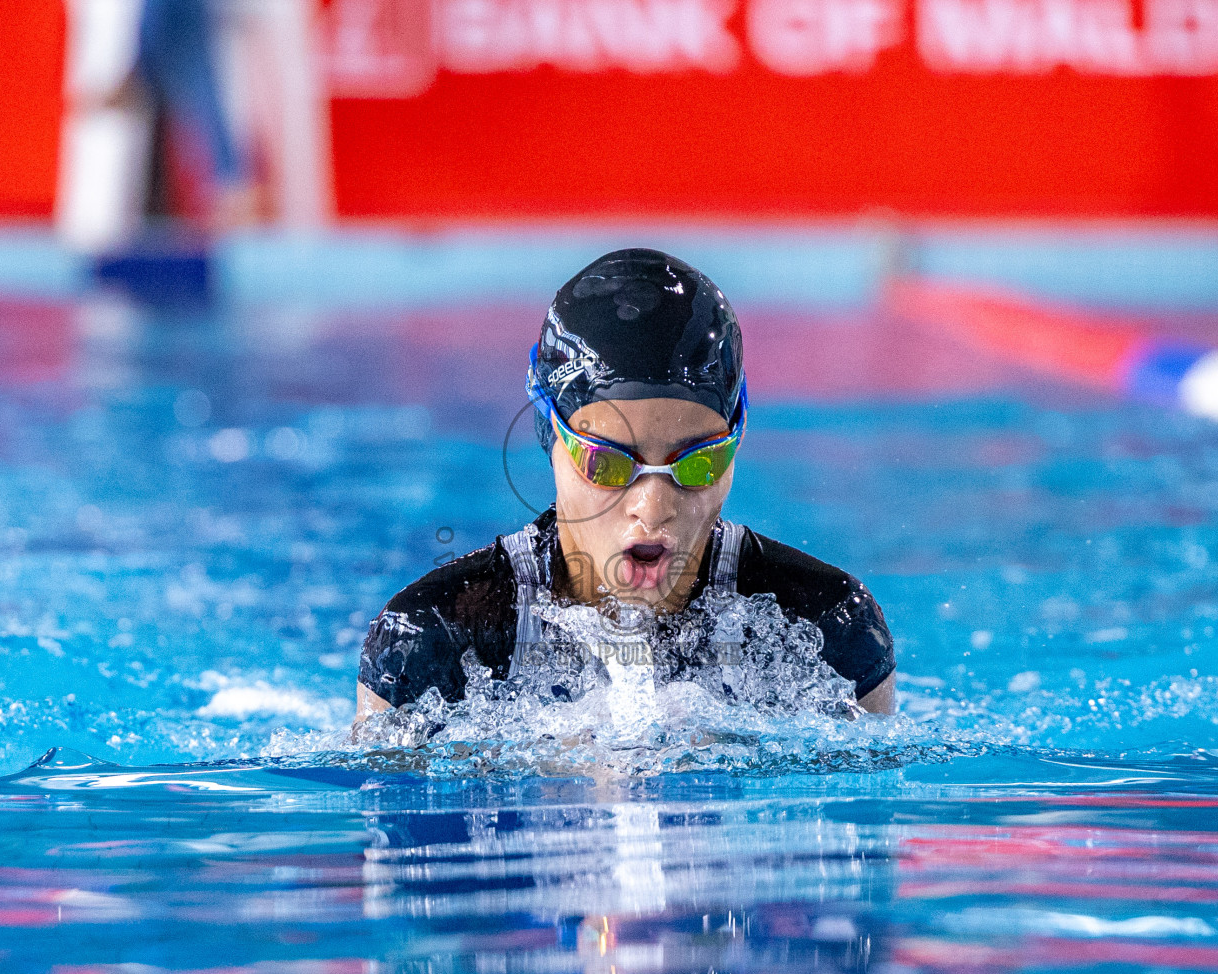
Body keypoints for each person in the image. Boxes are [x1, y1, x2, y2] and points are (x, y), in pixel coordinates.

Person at [356, 249, 896, 722]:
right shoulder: (435, 640)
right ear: (552, 436)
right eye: (608, 465)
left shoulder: (828, 629)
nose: (653, 508)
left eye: (698, 463)